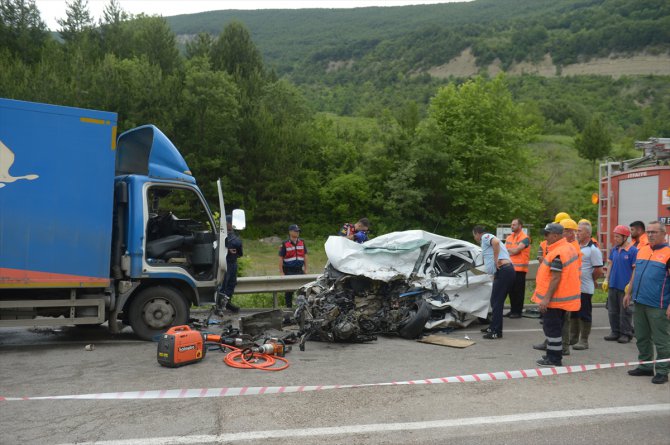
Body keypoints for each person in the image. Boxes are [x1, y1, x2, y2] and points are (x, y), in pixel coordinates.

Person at [624, 221, 670, 384]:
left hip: (658, 305)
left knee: (661, 339)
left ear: (663, 234)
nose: (650, 235)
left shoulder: (668, 253)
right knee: (642, 337)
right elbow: (636, 272)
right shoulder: (642, 250)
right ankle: (645, 366)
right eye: (648, 232)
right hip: (640, 301)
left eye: (654, 232)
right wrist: (629, 292)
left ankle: (663, 371)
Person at [532, 223, 581, 367]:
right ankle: (553, 355)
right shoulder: (568, 248)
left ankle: (553, 359)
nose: (545, 237)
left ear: (555, 235)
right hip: (561, 298)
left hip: (554, 299)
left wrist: (546, 299)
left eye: (547, 234)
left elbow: (555, 278)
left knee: (551, 329)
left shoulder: (558, 252)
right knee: (556, 328)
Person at [473, 225, 515, 340]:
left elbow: (496, 242)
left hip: (504, 270)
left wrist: (496, 260)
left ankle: (496, 331)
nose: (474, 238)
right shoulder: (485, 242)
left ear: (477, 233)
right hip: (503, 272)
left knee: (497, 302)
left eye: (474, 235)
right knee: (495, 301)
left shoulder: (485, 236)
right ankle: (492, 327)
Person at [570, 220, 603, 350]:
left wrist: (591, 279)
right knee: (574, 312)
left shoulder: (593, 250)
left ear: (588, 233)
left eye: (580, 231)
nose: (577, 233)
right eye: (577, 231)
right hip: (574, 286)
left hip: (585, 287)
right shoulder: (575, 246)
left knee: (584, 313)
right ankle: (573, 337)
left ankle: (584, 340)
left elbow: (599, 270)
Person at [602, 225, 637, 343]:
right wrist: (607, 279)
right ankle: (615, 331)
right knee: (612, 310)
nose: (615, 239)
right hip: (613, 285)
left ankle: (626, 333)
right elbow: (610, 265)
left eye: (617, 237)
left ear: (625, 237)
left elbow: (635, 270)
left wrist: (630, 285)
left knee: (625, 311)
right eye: (614, 236)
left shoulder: (633, 251)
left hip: (625, 287)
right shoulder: (614, 250)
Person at [504, 218, 531, 318]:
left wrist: (510, 250)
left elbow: (516, 251)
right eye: (511, 224)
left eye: (514, 224)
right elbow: (506, 250)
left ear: (520, 226)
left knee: (518, 292)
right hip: (510, 268)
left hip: (520, 270)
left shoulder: (525, 238)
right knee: (511, 291)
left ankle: (517, 312)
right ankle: (512, 310)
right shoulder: (509, 237)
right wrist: (511, 250)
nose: (512, 226)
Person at [217, 215, 243, 313]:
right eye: (230, 223)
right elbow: (216, 248)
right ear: (226, 223)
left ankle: (227, 302)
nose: (232, 225)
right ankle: (220, 305)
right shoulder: (220, 235)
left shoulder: (235, 236)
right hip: (224, 262)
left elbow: (240, 252)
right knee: (224, 284)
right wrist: (227, 250)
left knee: (231, 283)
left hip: (233, 262)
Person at [279, 224, 308, 309]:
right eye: (295, 231)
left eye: (298, 231)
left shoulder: (302, 242)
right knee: (289, 292)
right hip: (288, 271)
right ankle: (288, 312)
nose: (297, 232)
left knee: (303, 291)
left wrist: (306, 269)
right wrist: (281, 272)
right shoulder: (285, 244)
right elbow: (280, 258)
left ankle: (301, 311)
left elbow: (305, 256)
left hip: (299, 270)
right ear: (290, 232)